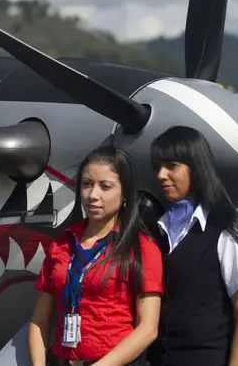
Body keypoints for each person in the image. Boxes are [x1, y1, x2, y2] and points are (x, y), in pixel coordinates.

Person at [29, 145, 163, 366]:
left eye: (105, 186)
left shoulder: (141, 248)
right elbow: (39, 320)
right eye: (87, 184)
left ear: (125, 193)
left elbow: (148, 328)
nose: (93, 195)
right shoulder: (61, 244)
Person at [146, 125, 238, 366]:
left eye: (171, 166)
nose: (161, 175)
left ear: (196, 167)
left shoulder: (226, 227)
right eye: (158, 168)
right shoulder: (157, 231)